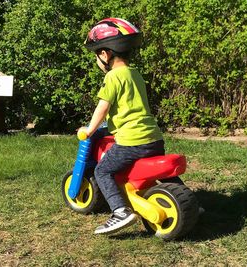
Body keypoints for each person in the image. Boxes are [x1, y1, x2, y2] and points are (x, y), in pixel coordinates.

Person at [79, 18, 164, 235]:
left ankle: (120, 211)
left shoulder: (113, 76)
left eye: (96, 55)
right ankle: (187, 200)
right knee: (163, 174)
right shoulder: (135, 74)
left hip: (131, 142)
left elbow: (102, 108)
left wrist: (89, 130)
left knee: (102, 170)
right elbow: (130, 110)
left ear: (105, 54)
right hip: (154, 138)